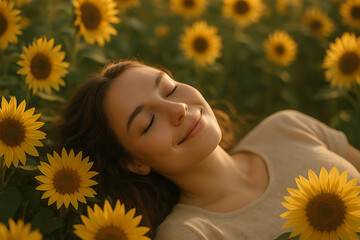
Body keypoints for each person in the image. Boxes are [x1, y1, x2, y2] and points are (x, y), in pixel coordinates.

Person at [56, 59, 360, 239]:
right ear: (134, 162)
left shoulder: (288, 127)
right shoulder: (191, 233)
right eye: (148, 122)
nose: (178, 107)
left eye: (170, 89)